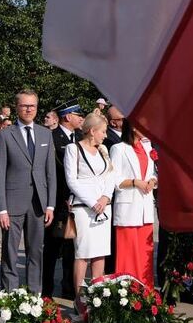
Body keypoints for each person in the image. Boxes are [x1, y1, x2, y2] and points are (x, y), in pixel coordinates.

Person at [0, 90, 56, 293]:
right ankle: (10, 297)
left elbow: (50, 173)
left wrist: (50, 204)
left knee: (36, 252)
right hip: (12, 204)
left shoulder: (45, 134)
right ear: (16, 107)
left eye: (33, 106)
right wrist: (1, 208)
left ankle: (34, 296)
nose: (29, 109)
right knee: (10, 253)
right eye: (24, 105)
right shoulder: (5, 135)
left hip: (38, 203)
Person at [63, 112, 116, 307]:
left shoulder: (103, 150)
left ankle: (97, 296)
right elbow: (72, 180)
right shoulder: (73, 149)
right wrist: (92, 202)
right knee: (83, 253)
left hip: (104, 207)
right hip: (83, 208)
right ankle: (79, 299)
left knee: (100, 252)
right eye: (103, 131)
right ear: (92, 131)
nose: (105, 135)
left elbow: (110, 175)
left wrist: (105, 197)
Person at [109, 119, 157, 289]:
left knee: (145, 252)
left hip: (145, 207)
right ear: (134, 127)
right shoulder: (118, 148)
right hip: (128, 207)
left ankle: (146, 290)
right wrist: (136, 182)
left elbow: (152, 172)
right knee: (128, 252)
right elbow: (114, 179)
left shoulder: (147, 147)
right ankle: (127, 291)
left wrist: (152, 180)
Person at [44, 103, 83, 300]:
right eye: (78, 115)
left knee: (70, 247)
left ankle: (68, 286)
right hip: (57, 200)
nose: (81, 118)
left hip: (75, 201)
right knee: (51, 248)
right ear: (67, 117)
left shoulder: (79, 138)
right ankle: (46, 290)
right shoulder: (51, 138)